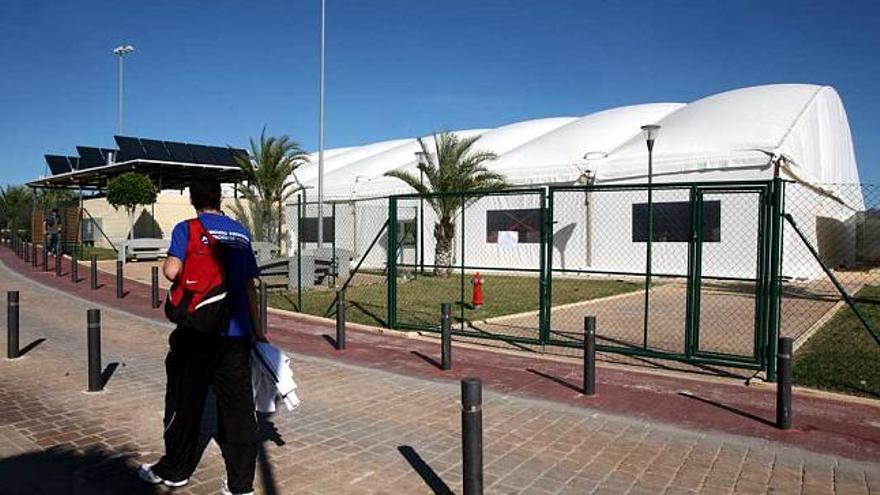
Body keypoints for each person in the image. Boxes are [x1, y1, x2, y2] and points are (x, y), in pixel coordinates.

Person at [138, 177, 266, 495]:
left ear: (194, 200)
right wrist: (259, 331)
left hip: (197, 331)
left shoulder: (188, 228)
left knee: (184, 401)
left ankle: (175, 470)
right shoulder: (240, 232)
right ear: (220, 198)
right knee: (239, 408)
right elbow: (251, 286)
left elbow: (171, 271)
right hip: (237, 332)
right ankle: (240, 486)